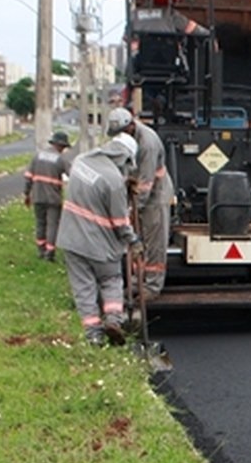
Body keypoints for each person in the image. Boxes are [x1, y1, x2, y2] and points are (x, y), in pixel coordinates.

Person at [57, 115, 142, 346]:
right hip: (100, 246)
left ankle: (93, 335)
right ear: (124, 157)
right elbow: (119, 221)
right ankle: (114, 319)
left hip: (71, 239)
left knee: (83, 287)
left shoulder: (82, 161)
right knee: (111, 280)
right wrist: (133, 241)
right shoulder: (114, 180)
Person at [117, 108, 173, 297]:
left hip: (156, 196)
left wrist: (135, 207)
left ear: (131, 126)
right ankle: (137, 281)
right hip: (140, 196)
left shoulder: (147, 143)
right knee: (139, 241)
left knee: (154, 242)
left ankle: (153, 286)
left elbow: (146, 182)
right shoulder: (129, 139)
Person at [23, 130, 74, 261]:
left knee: (40, 223)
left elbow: (28, 176)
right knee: (52, 224)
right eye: (63, 147)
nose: (63, 150)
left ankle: (41, 250)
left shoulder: (38, 156)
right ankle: (49, 253)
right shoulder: (61, 159)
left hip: (38, 196)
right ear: (60, 145)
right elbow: (73, 176)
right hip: (53, 198)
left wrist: (27, 194)